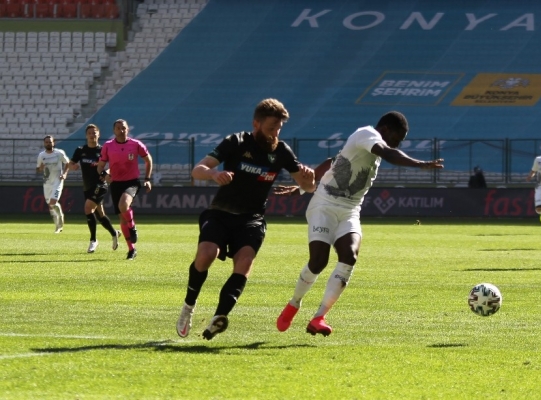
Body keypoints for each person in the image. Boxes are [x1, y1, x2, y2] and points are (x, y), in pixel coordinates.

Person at [276, 111, 444, 337]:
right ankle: (294, 303)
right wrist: (420, 164)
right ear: (385, 129)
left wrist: (301, 187)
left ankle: (319, 317)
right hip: (324, 205)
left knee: (349, 255)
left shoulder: (367, 148)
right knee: (318, 261)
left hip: (349, 211)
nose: (397, 143)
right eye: (397, 137)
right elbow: (389, 153)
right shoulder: (366, 134)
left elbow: (333, 162)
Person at [175, 98, 316, 341]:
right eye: (271, 127)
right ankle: (189, 306)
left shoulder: (282, 151)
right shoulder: (237, 141)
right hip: (220, 213)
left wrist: (309, 179)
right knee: (206, 255)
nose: (275, 133)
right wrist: (214, 174)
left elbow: (308, 186)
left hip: (252, 219)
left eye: (279, 128)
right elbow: (198, 170)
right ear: (256, 124)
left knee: (245, 263)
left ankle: (218, 317)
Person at [96, 119, 153, 260]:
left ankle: (132, 227)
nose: (121, 131)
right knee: (122, 218)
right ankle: (131, 250)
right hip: (116, 184)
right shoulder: (108, 146)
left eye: (123, 128)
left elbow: (148, 160)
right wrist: (104, 175)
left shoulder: (136, 144)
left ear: (128, 129)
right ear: (114, 130)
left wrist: (147, 179)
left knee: (123, 205)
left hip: (132, 182)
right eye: (118, 128)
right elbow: (100, 166)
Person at [68, 124, 121, 253]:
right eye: (90, 133)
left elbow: (113, 164)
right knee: (100, 214)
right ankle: (114, 233)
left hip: (100, 184)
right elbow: (71, 163)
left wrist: (107, 173)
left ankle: (93, 240)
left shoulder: (104, 150)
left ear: (99, 134)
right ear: (86, 136)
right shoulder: (80, 150)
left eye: (94, 132)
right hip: (87, 186)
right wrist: (72, 166)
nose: (92, 135)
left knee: (88, 208)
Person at [36, 135, 70, 233]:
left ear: (53, 143)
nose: (48, 144)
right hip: (47, 183)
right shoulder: (41, 155)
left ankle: (60, 221)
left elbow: (67, 163)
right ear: (44, 143)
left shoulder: (59, 153)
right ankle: (57, 226)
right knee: (50, 206)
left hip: (57, 182)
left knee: (53, 203)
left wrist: (64, 174)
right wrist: (40, 168)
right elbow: (38, 169)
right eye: (46, 142)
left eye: (50, 142)